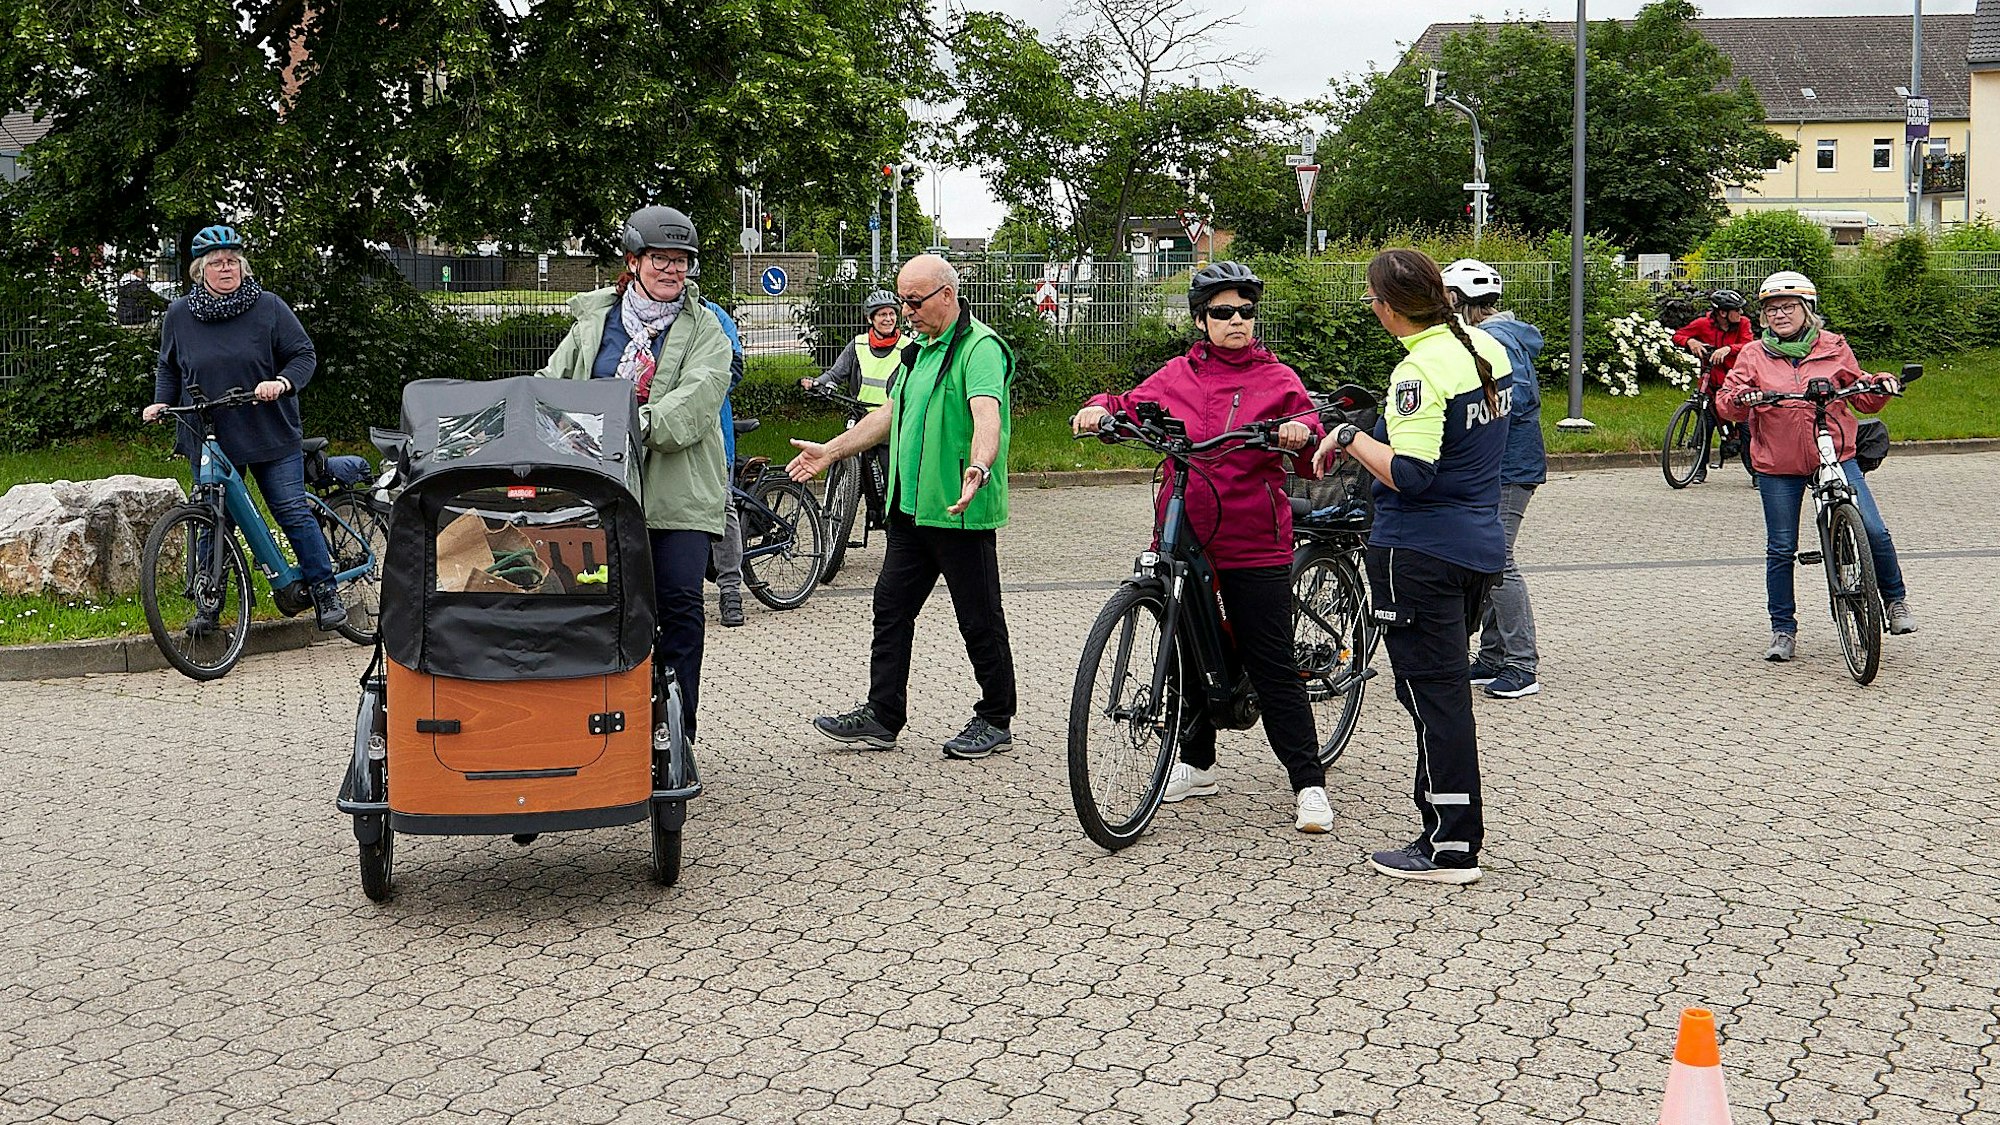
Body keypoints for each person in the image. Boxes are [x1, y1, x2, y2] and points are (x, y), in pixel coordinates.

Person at [1070, 261, 1332, 833]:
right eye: (1223, 313)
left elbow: (1318, 454)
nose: (1237, 321)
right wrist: (1097, 410)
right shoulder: (1178, 374)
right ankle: (1195, 761)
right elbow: (1128, 404)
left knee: (1270, 660)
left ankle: (1308, 783)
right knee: (1187, 644)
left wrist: (1301, 435)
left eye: (1245, 311)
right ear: (1200, 319)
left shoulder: (1277, 379)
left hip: (1252, 539)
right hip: (1183, 530)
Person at [1311, 249, 1509, 885]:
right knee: (1442, 691)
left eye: (1373, 299)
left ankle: (1450, 844)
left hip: (1419, 552)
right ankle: (1452, 829)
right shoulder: (1485, 348)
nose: (1371, 308)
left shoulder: (1418, 370)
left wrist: (1347, 436)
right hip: (1477, 544)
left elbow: (1414, 476)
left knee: (1431, 695)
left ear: (1390, 308)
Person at [786, 255, 1018, 761]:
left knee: (978, 617)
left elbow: (987, 413)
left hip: (959, 510)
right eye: (901, 300)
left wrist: (979, 466)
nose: (906, 311)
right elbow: (890, 415)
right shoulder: (918, 352)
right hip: (911, 512)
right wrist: (832, 450)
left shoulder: (979, 349)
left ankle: (996, 716)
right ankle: (883, 715)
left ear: (947, 295)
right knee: (890, 607)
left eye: (914, 301)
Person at [537, 204, 732, 739]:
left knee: (679, 609)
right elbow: (553, 384)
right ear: (633, 261)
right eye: (660, 260)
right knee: (593, 609)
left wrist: (617, 425)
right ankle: (600, 732)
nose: (672, 271)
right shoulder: (594, 321)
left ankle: (675, 734)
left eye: (681, 261)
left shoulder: (705, 328)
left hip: (678, 493)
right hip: (598, 491)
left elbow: (694, 405)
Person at [142, 225, 345, 631]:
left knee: (289, 509)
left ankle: (324, 589)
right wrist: (162, 401)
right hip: (210, 433)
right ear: (200, 272)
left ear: (242, 266)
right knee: (211, 518)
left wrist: (283, 382)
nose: (225, 268)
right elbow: (169, 364)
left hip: (268, 428)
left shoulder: (268, 306)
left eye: (232, 261)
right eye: (216, 263)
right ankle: (208, 606)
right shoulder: (180, 314)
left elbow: (303, 354)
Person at [1714, 270, 1916, 662]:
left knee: (1873, 527)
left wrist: (1881, 384)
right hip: (1778, 461)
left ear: (1807, 310)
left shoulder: (1833, 346)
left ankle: (1895, 601)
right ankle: (1783, 629)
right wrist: (1744, 398)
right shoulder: (1753, 354)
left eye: (1788, 307)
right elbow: (1727, 399)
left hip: (1834, 452)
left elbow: (1862, 393)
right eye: (1771, 309)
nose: (1779, 315)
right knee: (1781, 547)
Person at [1442, 258, 1545, 701]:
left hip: (1509, 468)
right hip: (1497, 466)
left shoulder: (1493, 338)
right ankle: (1491, 656)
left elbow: (1515, 396)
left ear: (1459, 300)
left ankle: (1522, 665)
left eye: (1446, 299)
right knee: (1485, 559)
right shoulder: (1489, 335)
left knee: (1499, 560)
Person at [802, 288, 909, 528]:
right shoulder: (858, 345)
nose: (888, 319)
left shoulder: (908, 348)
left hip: (891, 425)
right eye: (881, 314)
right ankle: (840, 524)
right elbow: (836, 373)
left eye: (891, 314)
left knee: (896, 479)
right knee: (848, 467)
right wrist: (819, 383)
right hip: (859, 421)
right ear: (870, 318)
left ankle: (896, 524)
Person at [1672, 289, 1757, 485]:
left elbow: (1749, 345)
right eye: (1737, 310)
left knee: (1746, 428)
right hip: (1711, 382)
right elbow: (1678, 335)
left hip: (1737, 382)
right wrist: (1690, 341)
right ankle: (1699, 470)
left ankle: (1756, 473)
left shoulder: (1743, 324)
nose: (1741, 314)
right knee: (1705, 424)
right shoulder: (1703, 324)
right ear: (1723, 313)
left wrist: (1729, 349)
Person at [706, 299, 748, 627]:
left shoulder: (712, 314)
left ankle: (731, 591)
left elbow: (735, 365)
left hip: (712, 429)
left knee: (722, 506)